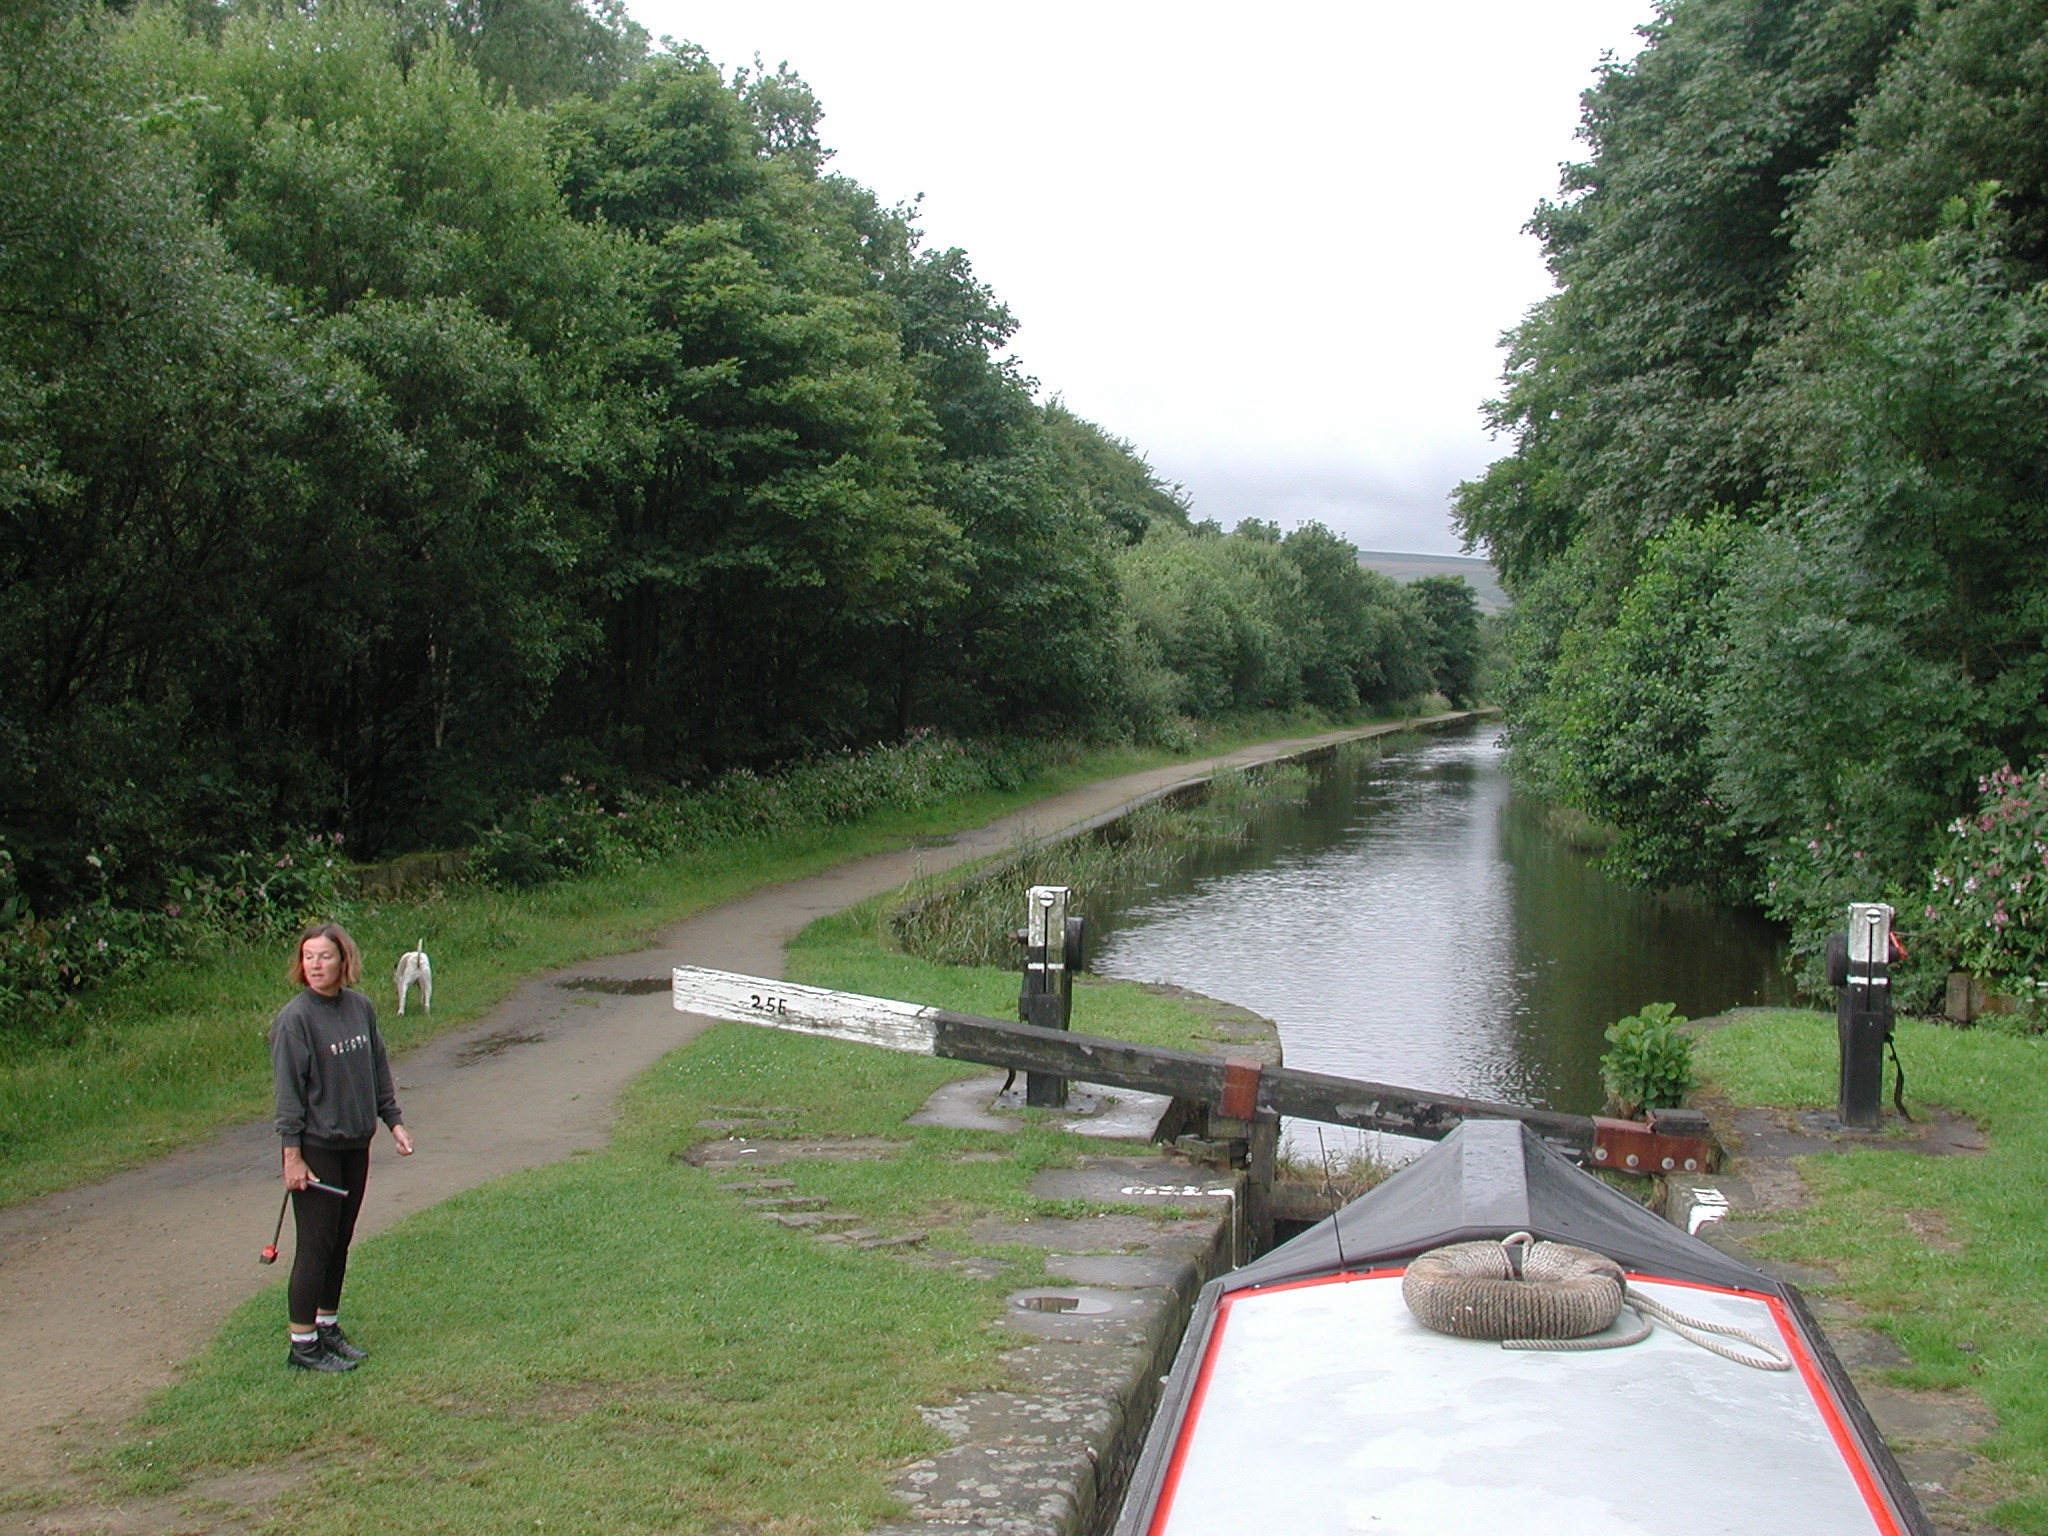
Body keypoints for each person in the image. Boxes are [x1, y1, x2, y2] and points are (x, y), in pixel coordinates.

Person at [269, 921, 414, 1371]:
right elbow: (288, 1095)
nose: (316, 965)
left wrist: (393, 1120)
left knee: (340, 1241)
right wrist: (292, 1157)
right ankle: (303, 1345)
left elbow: (376, 1066)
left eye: (325, 956)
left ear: (343, 960)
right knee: (315, 1245)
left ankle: (326, 1326)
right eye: (308, 956)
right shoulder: (295, 1020)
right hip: (318, 1147)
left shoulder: (360, 1008)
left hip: (355, 1143)